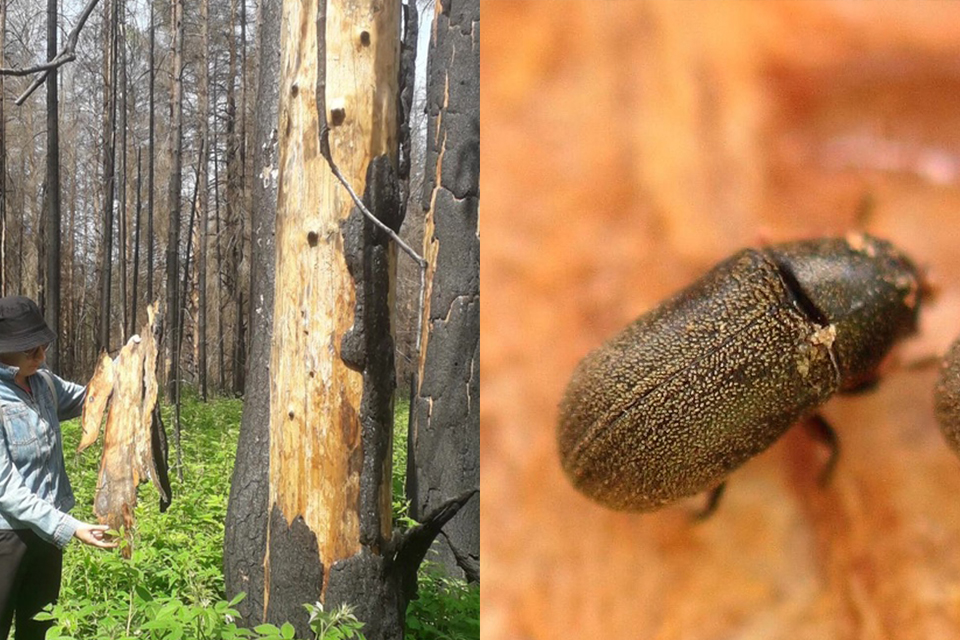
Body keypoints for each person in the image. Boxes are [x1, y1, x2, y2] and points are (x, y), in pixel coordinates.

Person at [0, 296, 116, 640]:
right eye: (31, 350)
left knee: (38, 629)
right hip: (6, 538)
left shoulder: (44, 383)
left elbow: (90, 398)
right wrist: (71, 526)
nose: (41, 356)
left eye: (42, 347)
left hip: (47, 535)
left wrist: (125, 362)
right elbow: (6, 489)